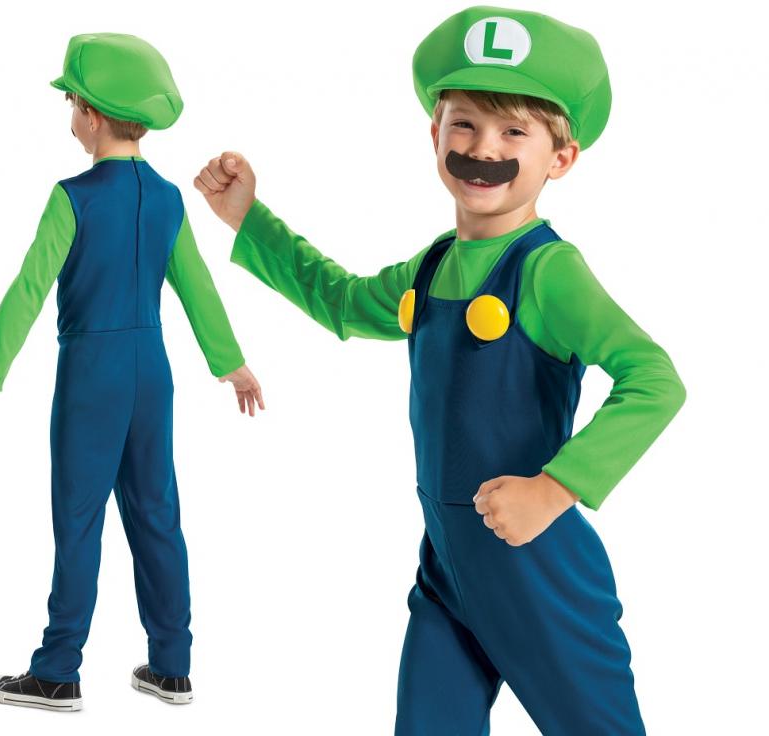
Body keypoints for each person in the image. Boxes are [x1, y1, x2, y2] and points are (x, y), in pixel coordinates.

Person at [194, 8, 684, 734]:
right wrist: (247, 218)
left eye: (514, 132)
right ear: (435, 134)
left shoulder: (548, 271)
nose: (483, 148)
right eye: (465, 124)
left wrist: (554, 490)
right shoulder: (432, 266)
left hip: (535, 563)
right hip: (449, 565)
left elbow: (654, 379)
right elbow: (342, 300)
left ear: (560, 159)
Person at [0, 32, 264, 712]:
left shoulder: (74, 197)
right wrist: (232, 363)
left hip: (91, 370)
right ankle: (172, 666)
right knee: (156, 513)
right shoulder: (167, 198)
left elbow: (30, 287)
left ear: (91, 114)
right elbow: (197, 287)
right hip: (152, 371)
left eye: (71, 102)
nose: (70, 114)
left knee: (79, 516)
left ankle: (58, 670)